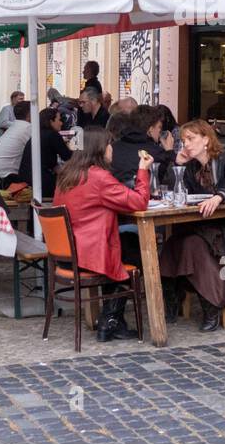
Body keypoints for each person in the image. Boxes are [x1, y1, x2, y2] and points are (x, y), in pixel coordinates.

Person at [52, 127, 153, 342]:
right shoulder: (98, 177)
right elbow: (139, 202)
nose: (112, 149)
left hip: (66, 256)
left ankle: (111, 320)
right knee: (136, 248)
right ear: (99, 147)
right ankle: (111, 321)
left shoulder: (66, 174)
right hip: (90, 256)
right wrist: (143, 170)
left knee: (126, 242)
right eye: (109, 144)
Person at [157, 119, 225, 332]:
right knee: (174, 243)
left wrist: (220, 196)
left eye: (191, 139)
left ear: (207, 139)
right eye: (183, 141)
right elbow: (174, 192)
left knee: (191, 244)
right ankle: (174, 296)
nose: (186, 145)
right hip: (201, 228)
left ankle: (211, 304)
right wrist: (178, 166)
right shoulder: (192, 167)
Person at [110, 105, 175, 188]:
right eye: (159, 127)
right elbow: (172, 182)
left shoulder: (113, 148)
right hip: (144, 197)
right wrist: (169, 152)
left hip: (114, 197)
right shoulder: (157, 153)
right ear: (150, 129)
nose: (160, 132)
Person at [17, 106, 74, 199]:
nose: (61, 123)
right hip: (40, 182)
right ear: (51, 121)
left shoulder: (37, 134)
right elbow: (68, 156)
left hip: (25, 180)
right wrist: (83, 154)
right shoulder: (53, 135)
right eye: (59, 120)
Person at [0, 101, 33, 189]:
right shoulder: (28, 128)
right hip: (6, 176)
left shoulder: (15, 126)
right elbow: (40, 151)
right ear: (30, 114)